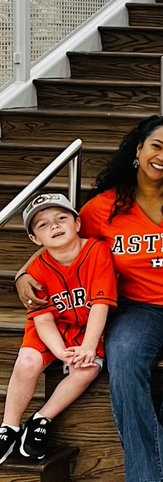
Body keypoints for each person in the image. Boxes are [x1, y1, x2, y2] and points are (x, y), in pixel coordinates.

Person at [22, 116, 163, 482]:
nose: (162, 156)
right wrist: (23, 272)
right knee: (124, 361)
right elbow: (60, 241)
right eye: (155, 146)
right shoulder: (102, 208)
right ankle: (158, 478)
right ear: (137, 149)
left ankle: (147, 479)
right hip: (134, 306)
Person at [0, 193, 114, 465]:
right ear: (35, 240)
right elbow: (43, 320)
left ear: (77, 223)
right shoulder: (36, 270)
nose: (54, 226)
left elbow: (100, 304)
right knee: (27, 361)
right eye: (42, 224)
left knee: (86, 369)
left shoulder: (97, 251)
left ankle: (41, 419)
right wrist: (61, 353)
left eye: (61, 218)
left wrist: (87, 346)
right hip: (53, 328)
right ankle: (9, 426)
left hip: (88, 327)